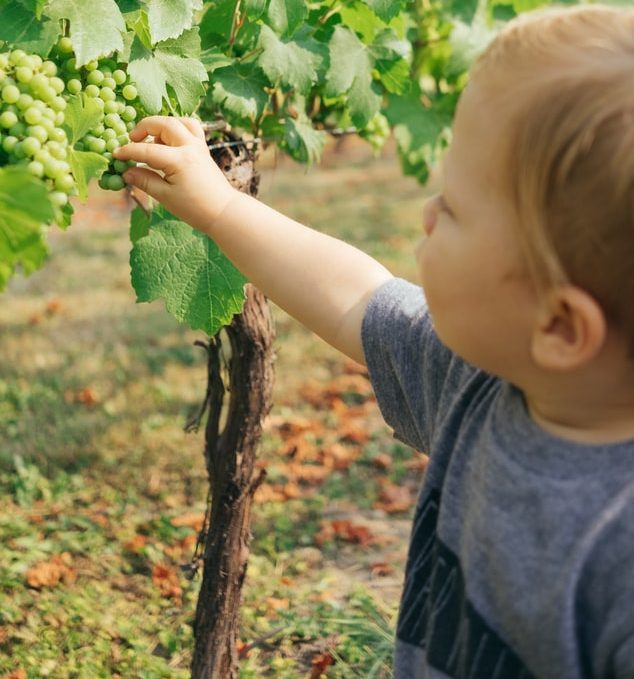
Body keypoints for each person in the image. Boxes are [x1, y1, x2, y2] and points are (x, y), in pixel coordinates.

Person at [114, 4, 634, 677]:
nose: (425, 211)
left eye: (452, 208)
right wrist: (218, 207)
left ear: (561, 328)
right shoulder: (476, 378)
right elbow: (354, 293)